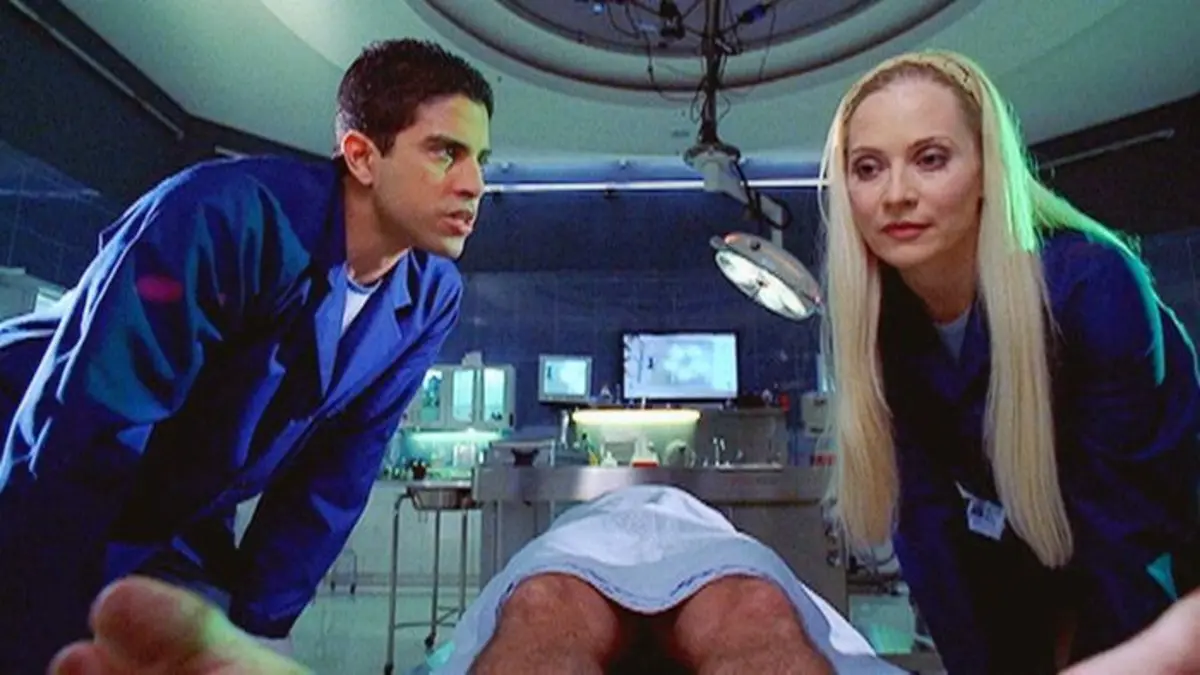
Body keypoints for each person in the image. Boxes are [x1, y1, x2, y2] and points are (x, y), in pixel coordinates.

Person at [0, 38, 492, 673]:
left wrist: (258, 633)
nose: (475, 184)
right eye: (445, 152)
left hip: (177, 507)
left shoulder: (430, 295)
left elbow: (335, 479)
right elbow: (88, 429)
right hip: (40, 454)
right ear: (362, 157)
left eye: (481, 159)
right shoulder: (227, 216)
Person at [819, 49, 1200, 674]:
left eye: (930, 159)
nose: (896, 195)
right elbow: (929, 538)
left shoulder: (1094, 288)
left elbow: (1126, 548)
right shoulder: (883, 325)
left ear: (987, 171)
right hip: (1031, 572)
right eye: (868, 168)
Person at [49, 499, 1200, 674]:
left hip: (710, 545)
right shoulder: (580, 534)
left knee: (753, 615)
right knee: (547, 613)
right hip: (580, 543)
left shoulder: (713, 539)